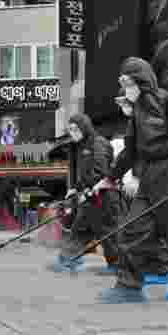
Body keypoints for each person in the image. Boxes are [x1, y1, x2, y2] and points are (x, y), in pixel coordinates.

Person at [99, 57, 168, 303]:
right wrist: (110, 178)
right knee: (131, 228)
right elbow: (130, 151)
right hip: (148, 176)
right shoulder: (136, 112)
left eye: (128, 83)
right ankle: (129, 286)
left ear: (142, 81)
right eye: (123, 84)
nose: (126, 90)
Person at [113, 89, 168, 284]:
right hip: (149, 182)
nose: (123, 107)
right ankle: (158, 269)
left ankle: (161, 272)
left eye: (125, 102)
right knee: (151, 228)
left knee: (150, 227)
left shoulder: (151, 120)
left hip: (161, 180)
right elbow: (131, 154)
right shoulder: (136, 123)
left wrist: (136, 177)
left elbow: (146, 154)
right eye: (120, 103)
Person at [50, 114, 115, 274]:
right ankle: (68, 259)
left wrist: (87, 188)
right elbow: (85, 174)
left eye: (75, 129)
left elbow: (101, 171)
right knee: (80, 229)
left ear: (84, 127)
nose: (72, 132)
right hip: (89, 197)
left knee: (108, 232)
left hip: (103, 196)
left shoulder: (98, 143)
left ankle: (117, 265)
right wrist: (75, 188)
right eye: (70, 129)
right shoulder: (79, 146)